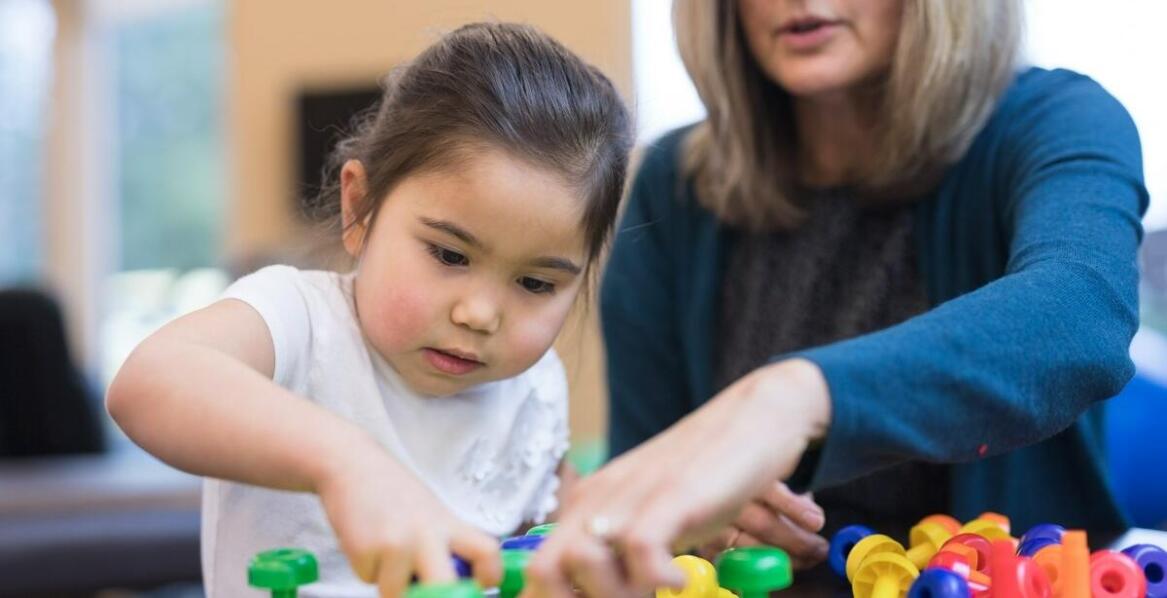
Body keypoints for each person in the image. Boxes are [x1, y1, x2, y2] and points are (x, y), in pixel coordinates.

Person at [522, 0, 1147, 596]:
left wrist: (792, 400)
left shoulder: (1057, 119)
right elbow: (648, 498)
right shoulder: (674, 184)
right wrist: (696, 527)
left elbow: (1080, 315)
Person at [106, 22, 630, 598]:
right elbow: (147, 383)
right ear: (360, 209)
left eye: (534, 283)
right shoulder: (298, 320)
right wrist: (344, 462)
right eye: (449, 255)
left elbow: (544, 541)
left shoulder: (533, 389)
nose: (480, 314)